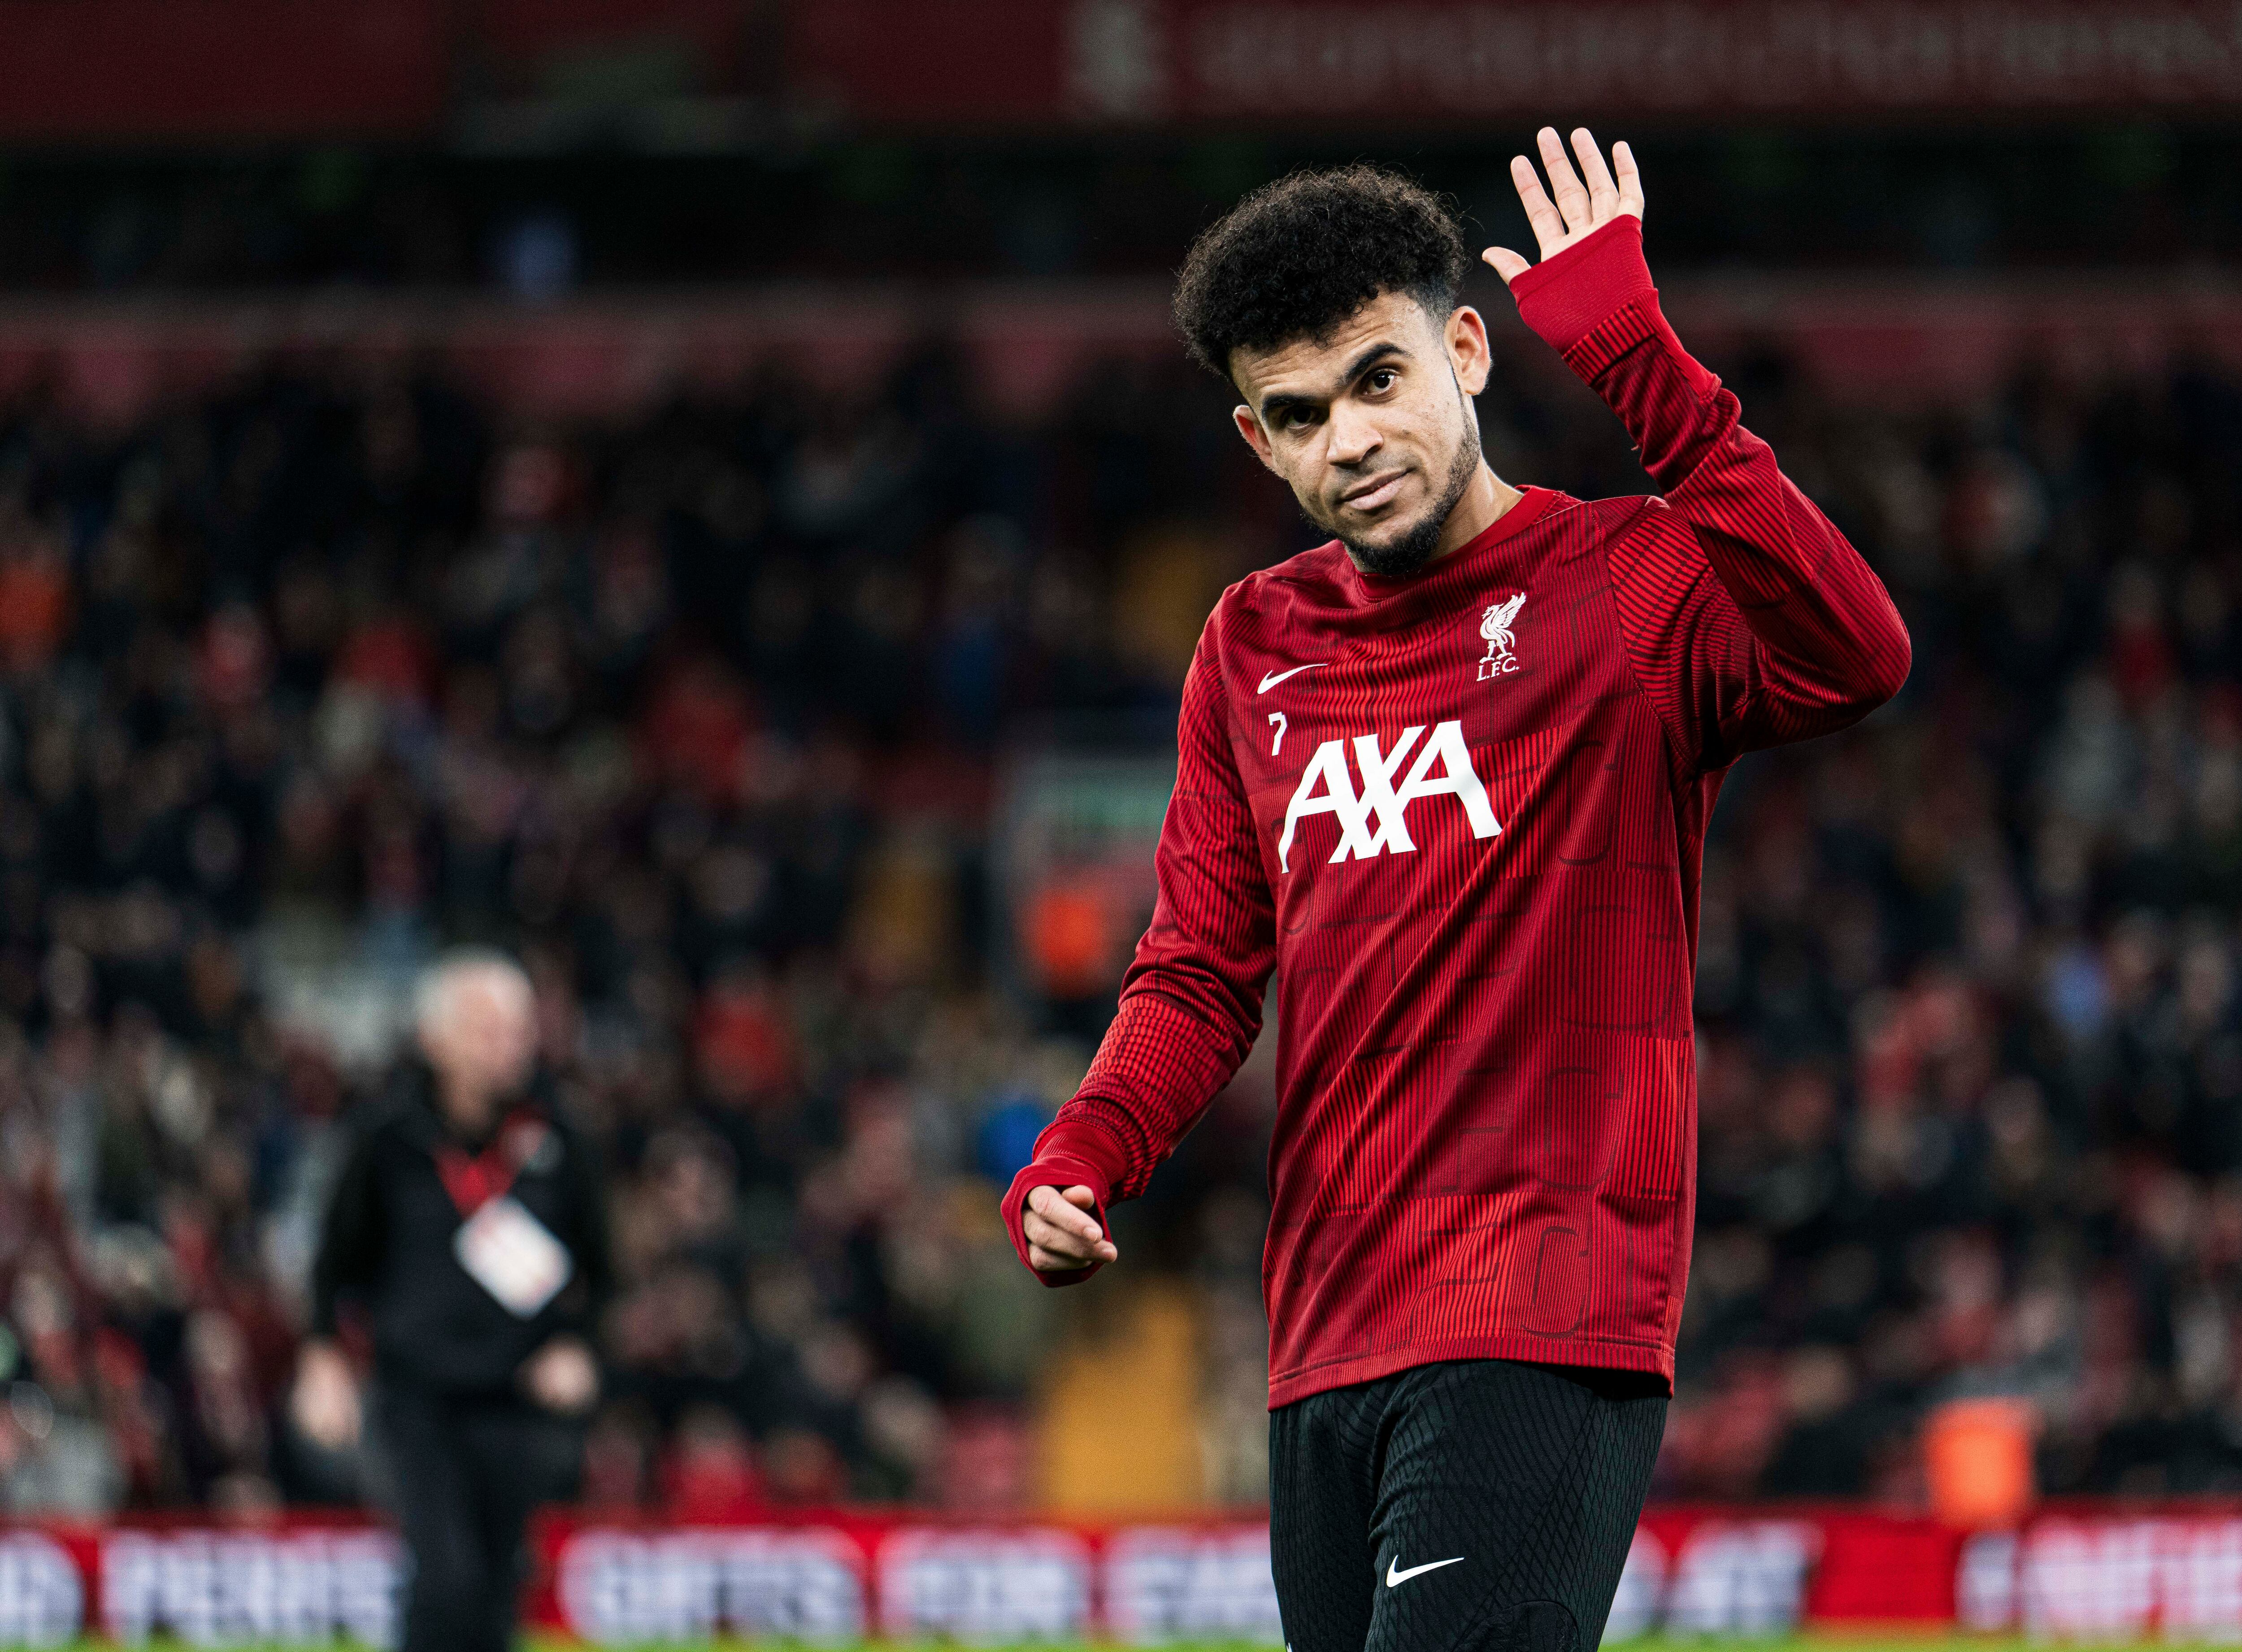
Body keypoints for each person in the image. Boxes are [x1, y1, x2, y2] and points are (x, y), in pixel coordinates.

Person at [1000, 131, 1910, 1652]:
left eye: (1378, 378)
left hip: (1545, 1301)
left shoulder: (1625, 579)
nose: (1349, 439)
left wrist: (1642, 363)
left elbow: (1856, 655)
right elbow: (1202, 967)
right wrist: (1091, 1143)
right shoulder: (1250, 643)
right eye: (1301, 414)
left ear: (1467, 351)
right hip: (1325, 1330)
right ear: (1258, 442)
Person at [294, 950, 611, 1652]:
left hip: (518, 1399)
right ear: (435, 1037)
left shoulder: (559, 1138)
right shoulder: (387, 1140)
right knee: (444, 1576)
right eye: (487, 1028)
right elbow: (335, 1264)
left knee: (498, 1584)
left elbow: (602, 1267)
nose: (508, 1045)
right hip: (415, 1396)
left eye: (518, 1029)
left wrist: (579, 1343)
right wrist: (322, 1358)